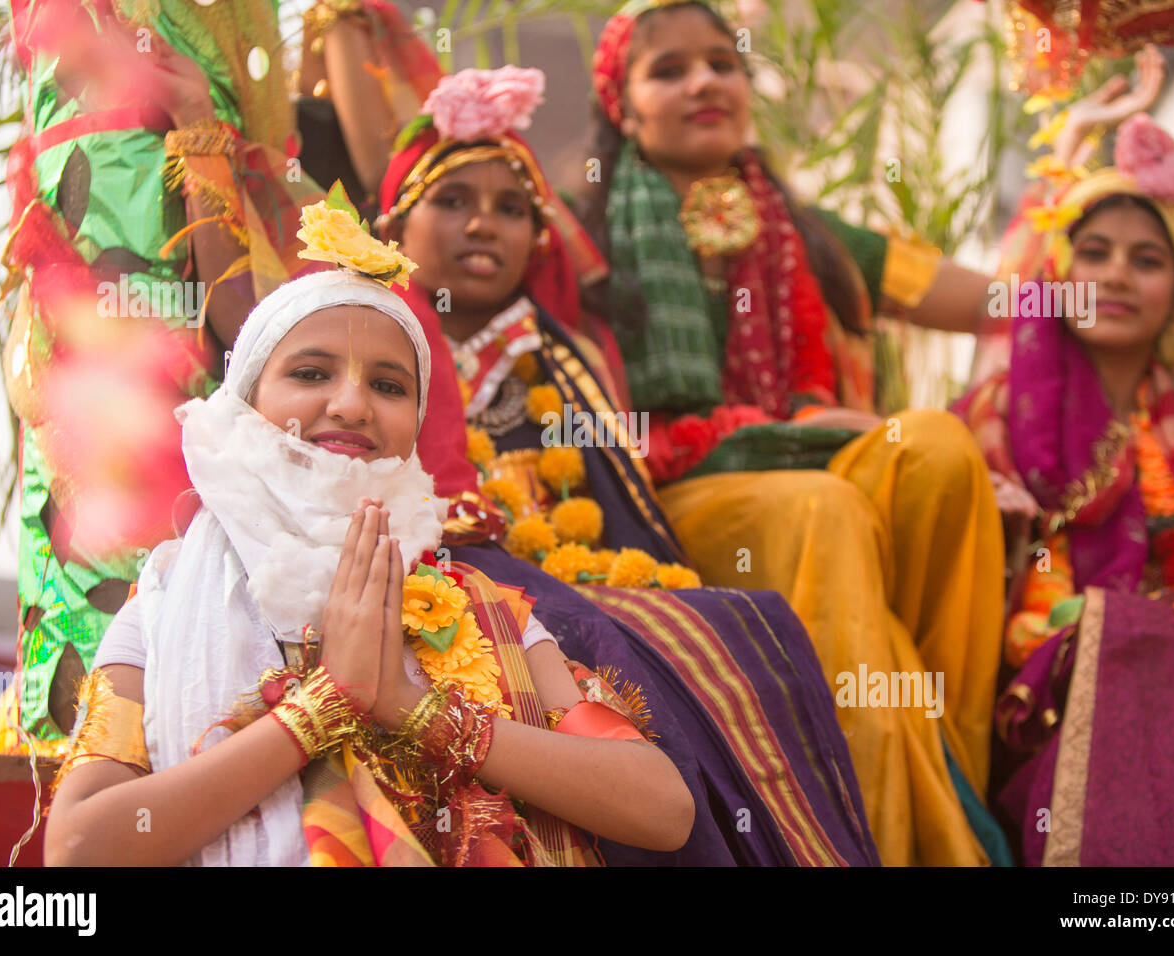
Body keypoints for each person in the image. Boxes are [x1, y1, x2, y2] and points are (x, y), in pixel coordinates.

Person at [43, 223, 696, 866]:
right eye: (310, 373)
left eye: (387, 385)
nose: (352, 405)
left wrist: (412, 707)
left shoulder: (470, 604)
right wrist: (327, 704)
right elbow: (81, 846)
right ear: (246, 400)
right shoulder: (166, 598)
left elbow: (662, 810)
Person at [375, 65, 880, 867]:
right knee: (612, 637)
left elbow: (630, 480)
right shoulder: (371, 340)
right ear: (395, 223)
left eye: (513, 210)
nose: (484, 226)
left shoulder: (568, 354)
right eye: (453, 201)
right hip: (451, 581)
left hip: (586, 569)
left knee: (742, 625)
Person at [581, 0, 1009, 866]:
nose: (705, 80)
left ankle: (946, 760)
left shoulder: (809, 233)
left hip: (816, 466)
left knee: (933, 446)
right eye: (669, 70)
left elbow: (991, 302)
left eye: (721, 63)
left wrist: (1080, 274)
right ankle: (865, 837)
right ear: (623, 108)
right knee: (827, 510)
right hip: (661, 499)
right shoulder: (579, 233)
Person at [0, 0, 320, 752]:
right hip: (73, 408)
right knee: (66, 704)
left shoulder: (217, 36)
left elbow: (239, 316)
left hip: (179, 423)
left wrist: (197, 123)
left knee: (166, 681)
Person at [953, 114, 1174, 865]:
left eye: (1146, 259)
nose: (1116, 275)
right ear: (1057, 275)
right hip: (1049, 700)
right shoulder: (994, 416)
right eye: (1094, 253)